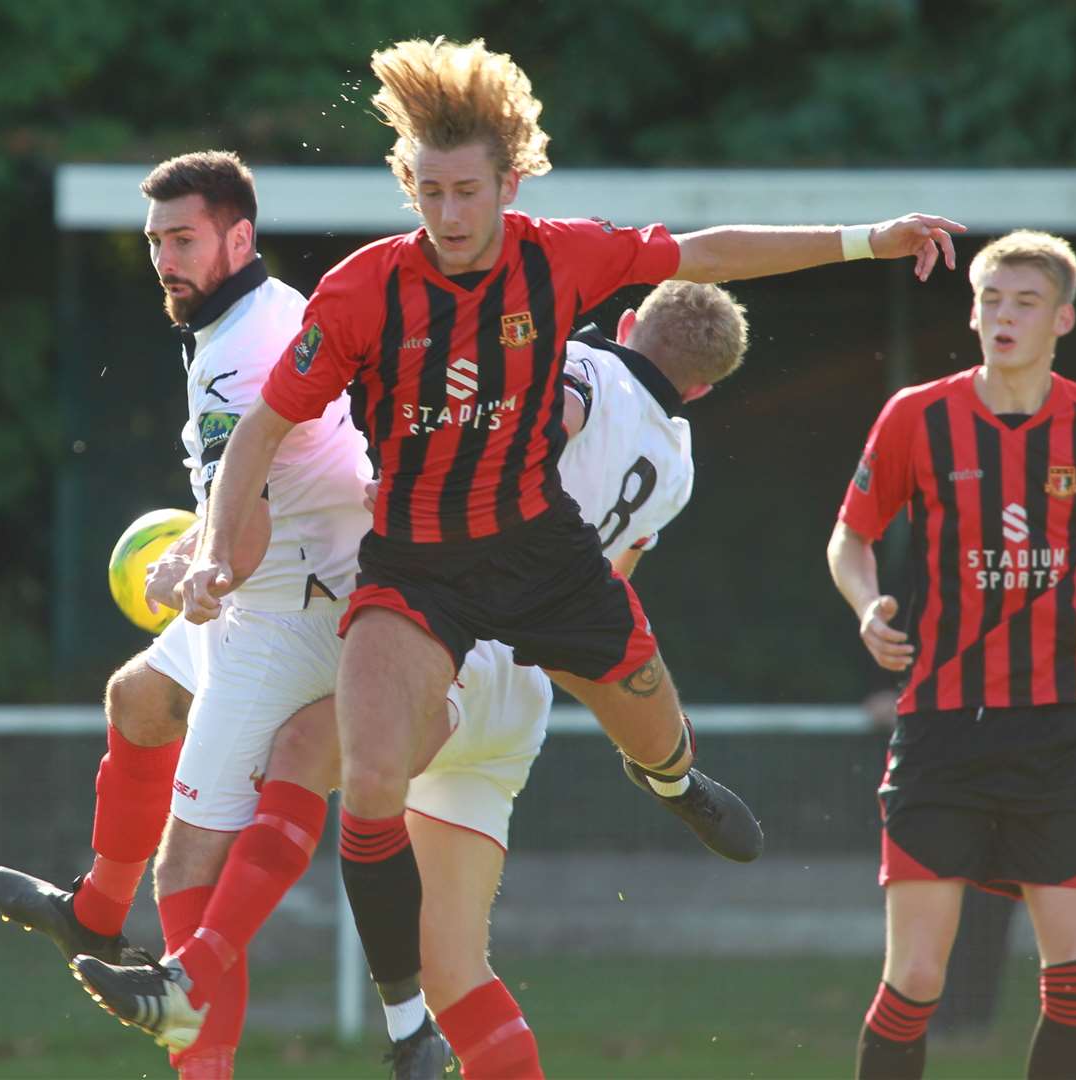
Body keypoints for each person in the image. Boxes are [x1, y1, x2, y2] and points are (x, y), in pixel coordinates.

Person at [81, 34, 964, 1055]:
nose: (450, 217)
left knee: (654, 731)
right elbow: (267, 429)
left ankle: (673, 780)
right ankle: (404, 1026)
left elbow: (711, 253)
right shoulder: (364, 292)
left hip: (545, 558)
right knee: (365, 779)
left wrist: (871, 238)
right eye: (431, 191)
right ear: (406, 181)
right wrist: (211, 555)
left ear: (510, 182)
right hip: (415, 574)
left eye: (469, 192)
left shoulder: (564, 256)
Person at [67, 279, 749, 1080]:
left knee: (306, 746)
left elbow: (534, 435)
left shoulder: (571, 365)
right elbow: (612, 579)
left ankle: (197, 973)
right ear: (698, 388)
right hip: (523, 692)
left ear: (627, 322)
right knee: (455, 970)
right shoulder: (675, 460)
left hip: (457, 645)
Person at [0, 149, 376, 1077]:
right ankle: (93, 913)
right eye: (156, 239)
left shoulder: (242, 355)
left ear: (239, 237)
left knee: (189, 871)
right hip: (264, 594)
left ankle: (204, 1062)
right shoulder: (252, 318)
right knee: (137, 700)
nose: (165, 257)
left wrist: (184, 571)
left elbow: (237, 548)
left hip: (288, 620)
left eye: (184, 238)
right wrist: (202, 554)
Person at [826, 230, 1076, 1079]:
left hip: (1055, 737)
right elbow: (849, 540)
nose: (1002, 316)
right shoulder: (915, 416)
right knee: (915, 979)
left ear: (1062, 319)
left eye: (1024, 302)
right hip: (939, 735)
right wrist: (865, 607)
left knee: (1075, 985)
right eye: (989, 299)